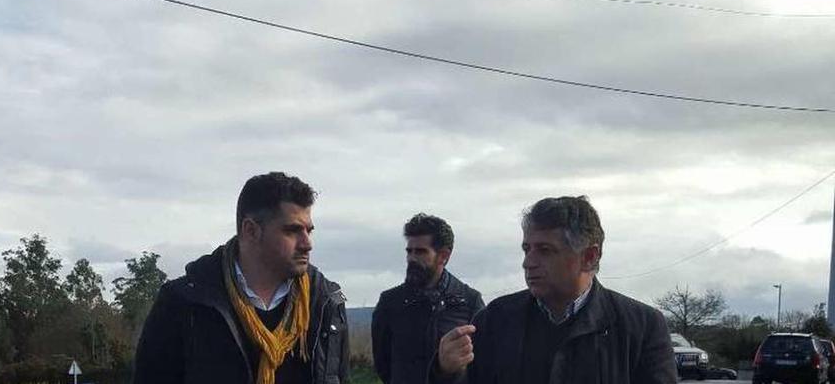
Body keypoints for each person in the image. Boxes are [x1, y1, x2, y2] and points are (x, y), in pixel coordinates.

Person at [133, 172, 349, 384]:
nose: (307, 243)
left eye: (308, 231)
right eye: (292, 230)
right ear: (251, 230)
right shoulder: (184, 304)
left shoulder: (324, 303)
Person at [435, 196, 676, 384]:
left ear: (589, 257)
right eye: (526, 249)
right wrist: (447, 372)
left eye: (545, 250)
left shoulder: (641, 327)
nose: (528, 262)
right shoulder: (496, 319)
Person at [373, 213, 484, 384]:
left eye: (421, 252)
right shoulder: (390, 303)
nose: (412, 258)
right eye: (409, 251)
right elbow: (383, 364)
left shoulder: (469, 302)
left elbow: (481, 364)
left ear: (443, 256)